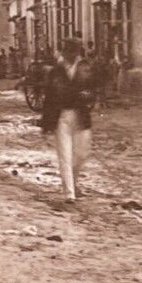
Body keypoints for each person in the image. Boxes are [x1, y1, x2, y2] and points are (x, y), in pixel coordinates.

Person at [39, 36, 95, 205]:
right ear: (65, 52)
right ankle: (69, 193)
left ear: (78, 52)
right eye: (69, 51)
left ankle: (73, 182)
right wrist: (46, 124)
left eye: (75, 51)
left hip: (81, 115)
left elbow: (94, 88)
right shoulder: (56, 71)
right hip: (61, 116)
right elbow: (48, 98)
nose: (72, 55)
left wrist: (90, 95)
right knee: (65, 155)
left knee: (81, 154)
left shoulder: (85, 68)